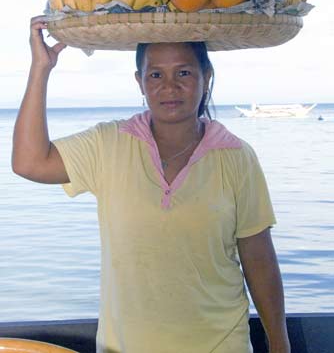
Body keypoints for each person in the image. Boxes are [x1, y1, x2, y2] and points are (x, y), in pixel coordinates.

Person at [12, 18, 291, 353]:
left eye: (184, 73)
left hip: (221, 344)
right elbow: (29, 162)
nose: (169, 86)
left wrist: (279, 343)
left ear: (207, 77)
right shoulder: (108, 144)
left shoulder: (237, 156)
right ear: (140, 82)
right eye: (155, 74)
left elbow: (258, 258)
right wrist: (41, 67)